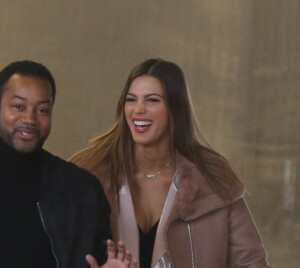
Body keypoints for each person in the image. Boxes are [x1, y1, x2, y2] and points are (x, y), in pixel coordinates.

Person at [70, 58, 272, 268]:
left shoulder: (212, 180)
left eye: (152, 100)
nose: (138, 109)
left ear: (175, 108)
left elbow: (252, 263)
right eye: (131, 99)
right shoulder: (87, 175)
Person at [0, 60, 137, 268]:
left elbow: (100, 260)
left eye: (43, 110)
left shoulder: (82, 190)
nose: (30, 119)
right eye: (18, 106)